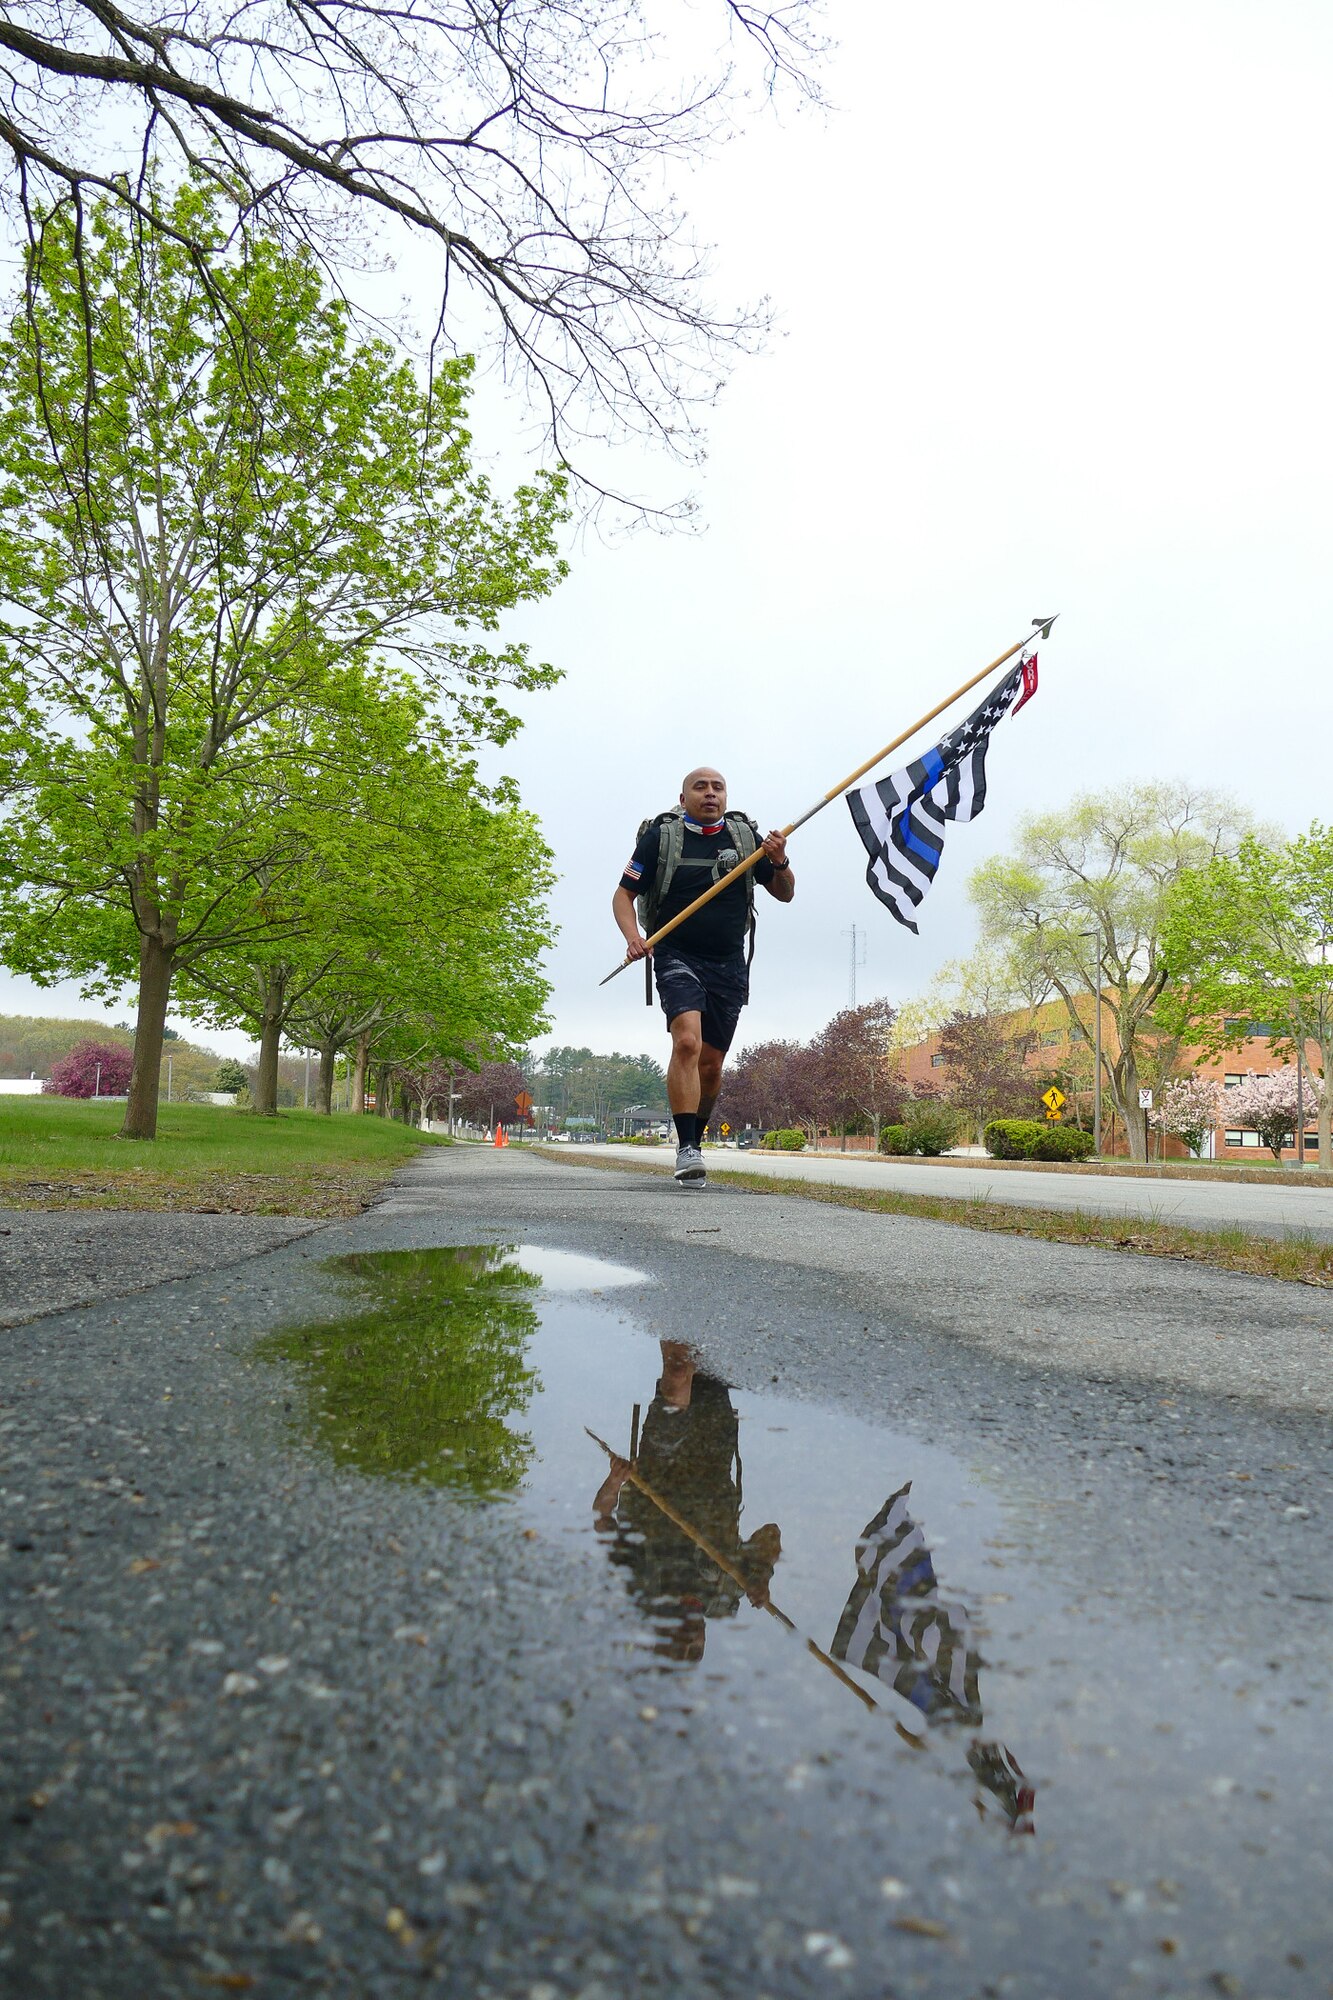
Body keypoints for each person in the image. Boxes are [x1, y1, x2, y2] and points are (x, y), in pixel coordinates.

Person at [612, 766, 795, 1188]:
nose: (710, 794)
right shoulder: (661, 838)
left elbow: (785, 893)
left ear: (726, 797)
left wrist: (779, 859)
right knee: (688, 1041)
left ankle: (698, 1134)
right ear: (683, 798)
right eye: (701, 787)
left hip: (729, 963)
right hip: (676, 955)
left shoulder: (746, 840)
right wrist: (633, 937)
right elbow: (624, 894)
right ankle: (687, 1149)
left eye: (718, 787)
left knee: (712, 1065)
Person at [592, 1341, 782, 1661]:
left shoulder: (641, 1587)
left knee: (678, 1374)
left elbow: (602, 1520)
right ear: (704, 1640)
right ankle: (703, 1308)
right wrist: (761, 1575)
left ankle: (677, 1303)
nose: (688, 1639)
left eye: (674, 1645)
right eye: (694, 1649)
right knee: (709, 1366)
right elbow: (770, 1534)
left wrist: (615, 1480)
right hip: (713, 1456)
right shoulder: (726, 1598)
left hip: (661, 1462)